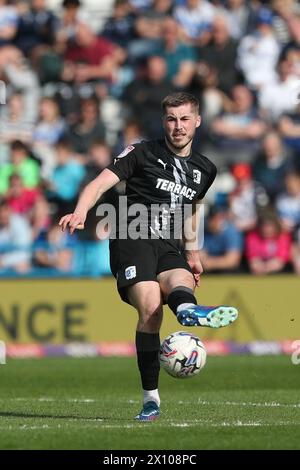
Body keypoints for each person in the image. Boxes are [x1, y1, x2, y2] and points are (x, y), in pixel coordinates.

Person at [59, 92, 238, 421]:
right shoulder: (142, 153)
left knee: (182, 280)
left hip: (170, 244)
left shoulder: (205, 170)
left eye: (184, 119)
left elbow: (193, 209)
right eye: (171, 119)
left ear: (197, 121)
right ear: (163, 122)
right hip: (133, 237)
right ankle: (150, 399)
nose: (178, 126)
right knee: (152, 308)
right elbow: (100, 182)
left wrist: (194, 252)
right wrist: (81, 211)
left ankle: (187, 311)